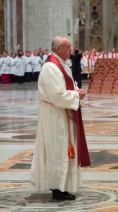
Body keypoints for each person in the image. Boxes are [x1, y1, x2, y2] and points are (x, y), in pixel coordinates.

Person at [30, 36, 90, 201]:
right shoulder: (50, 67)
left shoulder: (61, 65)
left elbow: (69, 86)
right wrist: (76, 95)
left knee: (64, 150)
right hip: (55, 116)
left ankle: (62, 186)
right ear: (58, 49)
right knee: (56, 150)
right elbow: (56, 94)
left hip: (63, 113)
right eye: (68, 46)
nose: (71, 50)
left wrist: (79, 92)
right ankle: (56, 188)